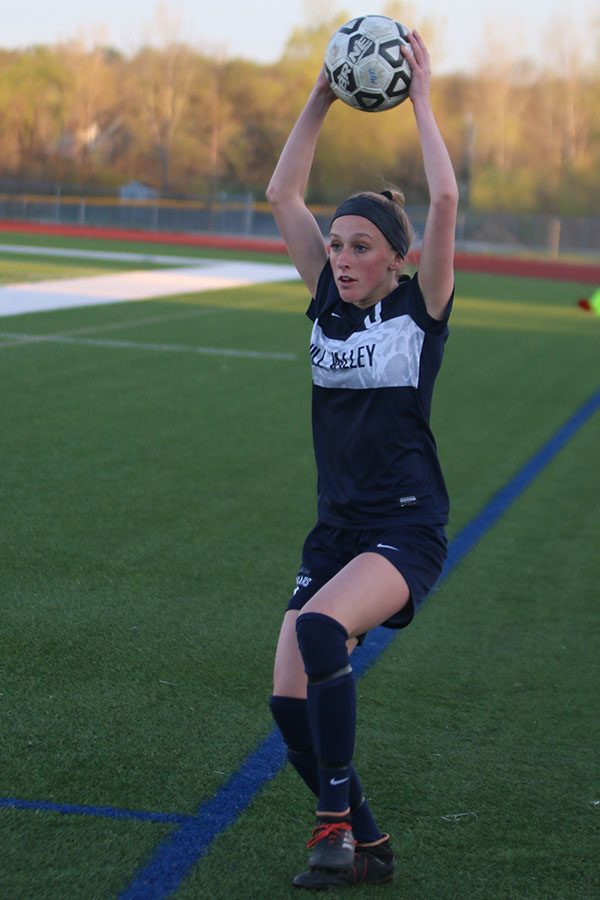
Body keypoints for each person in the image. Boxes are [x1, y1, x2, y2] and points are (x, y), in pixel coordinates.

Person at [266, 29, 458, 891]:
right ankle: (370, 848)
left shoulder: (419, 314)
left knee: (318, 631)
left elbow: (447, 199)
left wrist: (419, 96)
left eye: (359, 248)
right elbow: (281, 191)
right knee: (287, 704)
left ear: (397, 261)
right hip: (337, 529)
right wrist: (322, 91)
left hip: (404, 526)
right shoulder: (326, 303)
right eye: (335, 244)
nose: (341, 258)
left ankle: (333, 825)